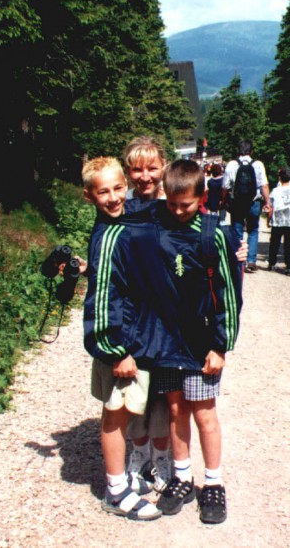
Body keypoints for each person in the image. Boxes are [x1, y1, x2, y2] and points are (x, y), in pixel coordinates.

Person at [130, 160, 242, 524]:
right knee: (176, 410)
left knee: (204, 413)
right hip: (164, 339)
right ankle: (181, 476)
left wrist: (221, 346)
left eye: (187, 205)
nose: (178, 211)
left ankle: (214, 482)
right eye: (173, 204)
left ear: (202, 196)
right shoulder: (156, 224)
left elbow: (229, 295)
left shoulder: (213, 235)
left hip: (200, 342)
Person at [80, 156, 161, 520]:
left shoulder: (126, 218)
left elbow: (161, 212)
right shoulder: (108, 236)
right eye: (103, 192)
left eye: (117, 188)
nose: (113, 198)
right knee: (116, 413)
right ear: (89, 196)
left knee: (126, 411)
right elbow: (102, 301)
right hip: (120, 344)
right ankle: (115, 490)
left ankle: (125, 478)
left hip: (134, 337)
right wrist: (115, 351)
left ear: (126, 186)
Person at [120, 136, 173, 495]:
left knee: (164, 393)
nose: (145, 176)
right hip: (133, 314)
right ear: (128, 172)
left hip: (168, 316)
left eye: (152, 168)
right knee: (135, 389)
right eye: (137, 169)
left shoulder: (175, 206)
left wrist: (234, 249)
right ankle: (138, 454)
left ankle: (162, 456)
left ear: (163, 167)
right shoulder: (120, 208)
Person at [222, 140, 270, 273]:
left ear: (239, 151)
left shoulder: (232, 164)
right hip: (254, 202)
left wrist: (223, 200)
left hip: (237, 203)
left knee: (237, 231)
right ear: (251, 151)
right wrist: (267, 202)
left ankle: (239, 261)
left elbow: (225, 186)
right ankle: (251, 260)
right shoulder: (258, 164)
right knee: (253, 230)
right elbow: (264, 185)